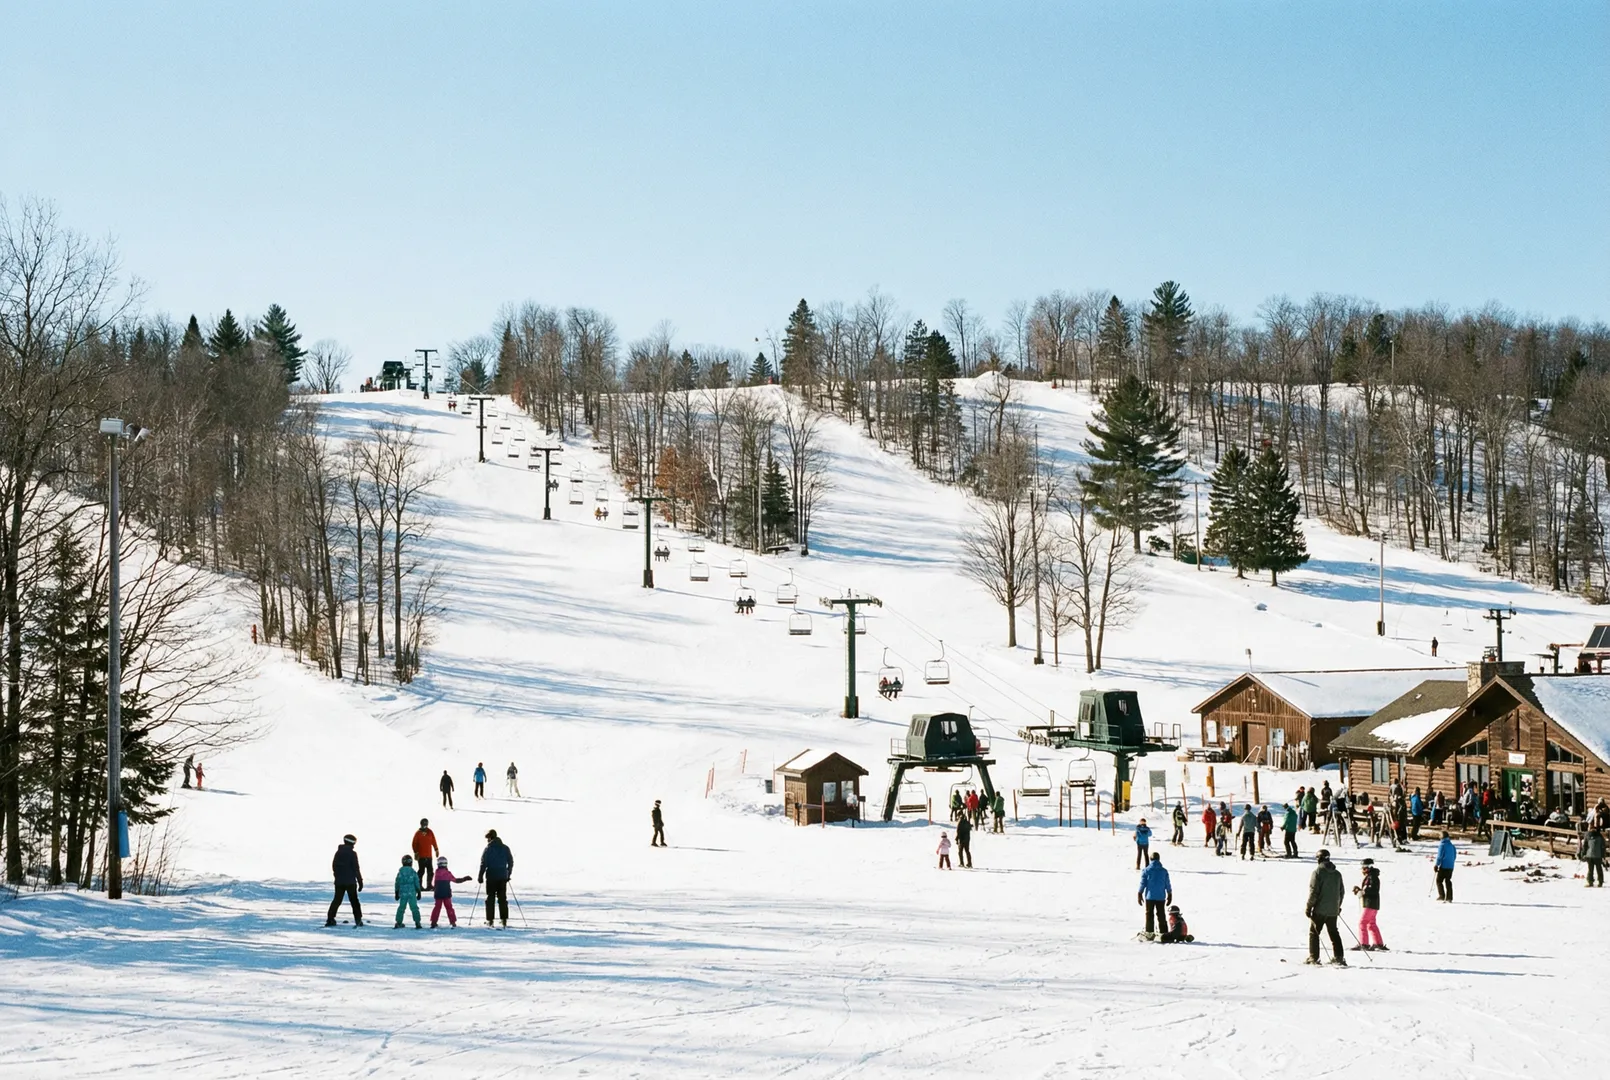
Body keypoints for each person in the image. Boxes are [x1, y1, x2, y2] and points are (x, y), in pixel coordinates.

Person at [1305, 849, 1346, 965]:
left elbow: (1313, 893)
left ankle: (1314, 957)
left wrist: (1309, 908)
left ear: (1319, 859)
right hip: (1333, 910)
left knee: (1314, 932)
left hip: (1320, 910)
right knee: (1334, 932)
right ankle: (1339, 957)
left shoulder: (1318, 872)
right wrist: (1337, 906)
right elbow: (1341, 892)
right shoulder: (1337, 874)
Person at [325, 834, 364, 927]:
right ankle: (358, 919)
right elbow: (356, 868)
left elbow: (334, 866)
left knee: (337, 900)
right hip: (350, 882)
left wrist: (337, 876)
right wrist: (360, 881)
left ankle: (330, 918)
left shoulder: (338, 853)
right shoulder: (352, 854)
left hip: (339, 882)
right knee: (354, 901)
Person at [479, 829, 515, 926]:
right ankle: (504, 920)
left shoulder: (488, 849)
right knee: (502, 898)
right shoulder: (505, 848)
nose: (487, 840)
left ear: (491, 837)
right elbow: (510, 861)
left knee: (490, 898)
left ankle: (490, 920)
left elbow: (483, 863)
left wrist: (480, 876)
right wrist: (508, 873)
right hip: (502, 876)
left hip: (491, 877)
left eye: (488, 838)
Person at [428, 856, 471, 928]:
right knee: (449, 907)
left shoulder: (436, 873)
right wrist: (464, 879)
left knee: (437, 907)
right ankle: (453, 922)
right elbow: (456, 880)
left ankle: (433, 922)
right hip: (446, 893)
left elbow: (432, 883)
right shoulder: (447, 873)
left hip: (438, 893)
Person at [1137, 853, 1172, 938]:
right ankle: (1164, 933)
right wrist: (1169, 893)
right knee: (1161, 914)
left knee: (1149, 914)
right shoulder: (1164, 871)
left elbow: (1143, 883)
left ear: (1150, 859)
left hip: (1150, 897)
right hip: (1161, 896)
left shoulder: (1146, 870)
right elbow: (1167, 883)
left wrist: (1139, 893)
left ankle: (1149, 932)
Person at [1353, 857, 1385, 951]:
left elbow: (1373, 890)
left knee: (1362, 923)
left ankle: (1364, 944)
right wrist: (1360, 890)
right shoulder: (1370, 876)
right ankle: (1378, 943)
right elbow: (1368, 889)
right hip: (1373, 904)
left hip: (1370, 904)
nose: (1362, 870)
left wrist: (1362, 892)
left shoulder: (1372, 877)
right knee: (1371, 924)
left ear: (1369, 867)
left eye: (1364, 868)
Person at [394, 854, 423, 929]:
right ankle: (417, 922)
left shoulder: (400, 872)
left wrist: (396, 892)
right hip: (411, 892)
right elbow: (416, 881)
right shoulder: (413, 872)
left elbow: (397, 882)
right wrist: (419, 891)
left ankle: (398, 922)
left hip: (403, 893)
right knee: (414, 907)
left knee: (401, 907)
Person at [1435, 830, 1457, 902]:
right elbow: (1454, 855)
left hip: (1444, 866)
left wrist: (1437, 865)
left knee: (1439, 880)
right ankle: (1449, 897)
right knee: (1448, 881)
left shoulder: (1442, 845)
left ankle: (1442, 895)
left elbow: (1439, 856)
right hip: (1451, 866)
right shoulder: (1452, 845)